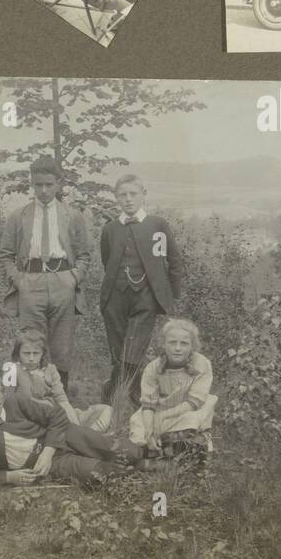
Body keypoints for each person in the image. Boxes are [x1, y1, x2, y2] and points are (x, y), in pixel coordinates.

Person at [0, 156, 93, 393]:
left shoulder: (72, 216)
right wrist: (19, 280)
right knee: (30, 343)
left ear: (58, 184)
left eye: (49, 185)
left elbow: (84, 255)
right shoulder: (18, 216)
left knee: (62, 346)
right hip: (30, 282)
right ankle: (28, 397)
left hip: (63, 280)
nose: (43, 190)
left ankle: (59, 400)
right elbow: (6, 255)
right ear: (32, 183)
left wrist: (73, 279)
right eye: (38, 184)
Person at [0, 372, 138, 488]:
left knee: (118, 448)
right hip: (45, 464)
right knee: (94, 472)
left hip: (61, 436)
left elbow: (57, 415)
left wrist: (48, 450)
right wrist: (8, 477)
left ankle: (148, 455)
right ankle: (140, 470)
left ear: (3, 397)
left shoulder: (15, 402)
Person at [98, 173, 183, 406]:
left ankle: (115, 389)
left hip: (146, 295)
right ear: (116, 198)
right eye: (122, 195)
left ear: (144, 195)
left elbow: (173, 260)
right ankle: (130, 392)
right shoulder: (110, 229)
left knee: (134, 344)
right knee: (118, 348)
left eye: (133, 194)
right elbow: (107, 260)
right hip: (115, 295)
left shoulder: (157, 225)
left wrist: (172, 296)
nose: (128, 199)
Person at [129, 318, 218, 456]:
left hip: (187, 409)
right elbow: (148, 404)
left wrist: (163, 418)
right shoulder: (153, 367)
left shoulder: (201, 364)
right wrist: (150, 429)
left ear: (192, 346)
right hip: (160, 408)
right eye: (172, 342)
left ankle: (184, 445)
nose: (177, 348)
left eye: (184, 344)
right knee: (139, 426)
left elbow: (194, 402)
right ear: (164, 344)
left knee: (192, 419)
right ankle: (156, 445)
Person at [8, 325, 112, 432]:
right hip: (28, 415)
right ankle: (81, 434)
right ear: (18, 353)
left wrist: (73, 420)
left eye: (35, 353)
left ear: (42, 354)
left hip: (54, 412)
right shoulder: (12, 369)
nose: (31, 358)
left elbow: (61, 398)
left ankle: (82, 432)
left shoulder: (50, 369)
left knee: (105, 410)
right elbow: (9, 400)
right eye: (26, 353)